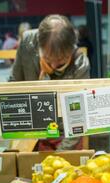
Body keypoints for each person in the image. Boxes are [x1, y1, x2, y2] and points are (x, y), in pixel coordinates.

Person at [11, 15, 90, 151]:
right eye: (48, 58)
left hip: (65, 133)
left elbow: (78, 119)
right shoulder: (27, 43)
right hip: (32, 130)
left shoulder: (80, 64)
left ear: (71, 49)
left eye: (61, 60)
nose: (53, 65)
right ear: (38, 45)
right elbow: (14, 84)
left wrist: (61, 154)